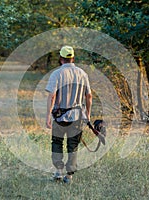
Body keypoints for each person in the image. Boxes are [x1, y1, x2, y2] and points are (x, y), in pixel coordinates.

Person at [45, 45, 92, 183]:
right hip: (77, 117)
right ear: (73, 58)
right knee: (73, 146)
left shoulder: (56, 74)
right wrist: (87, 115)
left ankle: (58, 171)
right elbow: (89, 96)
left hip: (60, 117)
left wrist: (48, 115)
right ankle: (69, 176)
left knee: (57, 142)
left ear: (61, 59)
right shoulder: (82, 73)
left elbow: (52, 96)